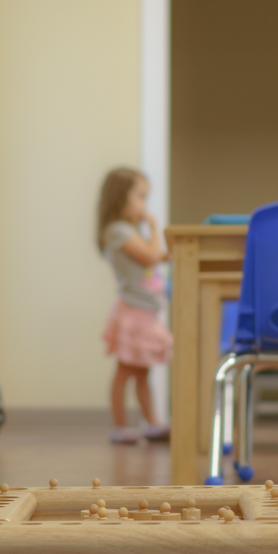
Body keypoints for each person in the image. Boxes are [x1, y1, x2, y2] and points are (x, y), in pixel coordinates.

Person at [96, 168, 172, 443]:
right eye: (140, 197)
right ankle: (119, 425)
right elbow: (151, 257)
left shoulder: (128, 232)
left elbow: (153, 256)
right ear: (120, 199)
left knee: (143, 371)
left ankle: (151, 423)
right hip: (133, 312)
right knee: (125, 370)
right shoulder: (119, 231)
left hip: (145, 312)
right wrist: (153, 227)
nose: (144, 205)